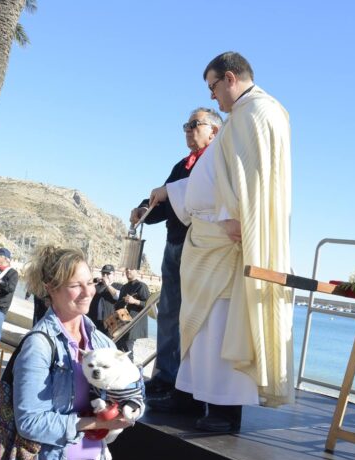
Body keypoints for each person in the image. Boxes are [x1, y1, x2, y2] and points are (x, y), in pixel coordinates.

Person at [149, 52, 294, 432]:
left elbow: (255, 177)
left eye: (213, 87)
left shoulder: (257, 113)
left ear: (229, 78)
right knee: (198, 326)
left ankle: (225, 411)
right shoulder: (241, 116)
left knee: (220, 325)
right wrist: (172, 192)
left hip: (229, 240)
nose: (213, 98)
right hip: (212, 234)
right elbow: (220, 171)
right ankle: (191, 398)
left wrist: (236, 216)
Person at [13, 245, 138, 460]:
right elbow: (29, 422)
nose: (88, 292)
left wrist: (132, 407)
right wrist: (95, 423)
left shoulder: (99, 340)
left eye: (90, 282)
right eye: (75, 285)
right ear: (51, 288)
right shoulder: (40, 345)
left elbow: (130, 382)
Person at [130, 107, 222, 402]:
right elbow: (165, 200)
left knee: (193, 316)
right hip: (174, 246)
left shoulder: (218, 163)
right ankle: (164, 377)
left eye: (195, 124)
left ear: (214, 131)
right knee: (169, 312)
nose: (188, 129)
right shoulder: (183, 165)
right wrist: (144, 209)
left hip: (201, 249)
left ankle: (187, 383)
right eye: (186, 124)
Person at [113, 268, 150, 358]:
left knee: (127, 352)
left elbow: (149, 304)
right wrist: (123, 300)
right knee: (118, 350)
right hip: (121, 323)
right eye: (127, 269)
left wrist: (135, 301)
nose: (128, 271)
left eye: (131, 269)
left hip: (133, 324)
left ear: (137, 271)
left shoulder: (141, 286)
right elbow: (117, 305)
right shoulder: (124, 287)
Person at [88, 264, 121, 335]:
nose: (105, 275)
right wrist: (94, 280)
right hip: (94, 321)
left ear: (114, 275)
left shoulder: (118, 286)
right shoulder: (97, 285)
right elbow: (85, 287)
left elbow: (117, 296)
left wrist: (107, 285)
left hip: (110, 323)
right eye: (103, 273)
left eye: (108, 273)